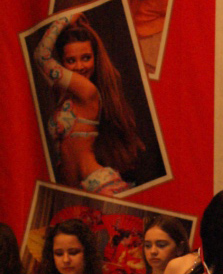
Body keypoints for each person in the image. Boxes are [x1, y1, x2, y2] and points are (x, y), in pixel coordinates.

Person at [33, 12, 144, 195]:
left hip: (98, 184)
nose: (80, 67)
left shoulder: (88, 91)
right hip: (74, 188)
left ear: (95, 58)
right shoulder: (63, 92)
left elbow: (41, 56)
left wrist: (67, 18)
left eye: (86, 58)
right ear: (62, 62)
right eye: (71, 60)